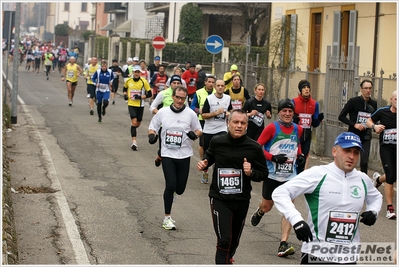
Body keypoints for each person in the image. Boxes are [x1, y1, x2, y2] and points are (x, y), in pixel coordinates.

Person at [272, 131, 383, 264]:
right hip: (317, 253)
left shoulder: (363, 179)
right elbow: (280, 193)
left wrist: (374, 211)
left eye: (356, 152)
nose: (351, 156)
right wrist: (297, 220)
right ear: (334, 151)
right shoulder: (318, 174)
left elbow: (376, 197)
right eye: (347, 150)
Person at [196, 109, 269, 264]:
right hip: (219, 197)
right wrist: (205, 162)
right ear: (228, 123)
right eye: (235, 122)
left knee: (233, 241)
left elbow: (263, 173)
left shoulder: (254, 148)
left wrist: (251, 173)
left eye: (242, 123)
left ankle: (227, 258)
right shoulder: (217, 141)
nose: (239, 125)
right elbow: (210, 155)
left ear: (247, 126)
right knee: (224, 240)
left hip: (241, 200)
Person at [250, 98, 305, 257]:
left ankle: (283, 244)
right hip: (272, 175)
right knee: (267, 207)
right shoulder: (271, 128)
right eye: (284, 111)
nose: (287, 114)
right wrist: (272, 158)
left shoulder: (297, 129)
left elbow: (297, 144)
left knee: (288, 210)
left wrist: (300, 154)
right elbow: (257, 147)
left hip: (290, 176)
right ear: (279, 112)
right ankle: (260, 211)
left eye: (290, 111)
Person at [148, 86, 202, 230]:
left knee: (180, 189)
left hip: (184, 154)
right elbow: (152, 126)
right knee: (170, 184)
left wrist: (195, 135)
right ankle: (167, 218)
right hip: (168, 154)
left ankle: (172, 194)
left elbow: (199, 129)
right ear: (173, 97)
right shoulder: (162, 112)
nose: (179, 101)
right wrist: (151, 135)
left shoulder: (190, 114)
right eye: (177, 97)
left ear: (185, 99)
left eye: (182, 98)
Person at [366, 90, 397, 219]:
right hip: (386, 149)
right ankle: (390, 208)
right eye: (396, 99)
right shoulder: (383, 111)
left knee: (393, 175)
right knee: (391, 176)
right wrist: (375, 127)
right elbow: (369, 121)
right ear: (391, 99)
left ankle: (378, 179)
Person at [338, 79, 377, 174]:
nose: (368, 90)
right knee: (350, 159)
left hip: (366, 136)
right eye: (366, 88)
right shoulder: (353, 101)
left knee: (364, 162)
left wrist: (374, 125)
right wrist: (354, 124)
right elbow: (341, 116)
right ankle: (346, 175)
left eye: (370, 88)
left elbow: (374, 118)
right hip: (354, 135)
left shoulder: (373, 104)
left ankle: (363, 181)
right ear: (361, 89)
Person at [149, 75, 186, 167]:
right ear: (170, 84)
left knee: (177, 148)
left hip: (179, 126)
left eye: (178, 83)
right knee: (165, 148)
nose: (176, 85)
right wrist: (162, 115)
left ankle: (167, 161)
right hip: (165, 126)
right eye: (174, 83)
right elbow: (152, 107)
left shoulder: (183, 95)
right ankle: (161, 157)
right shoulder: (163, 93)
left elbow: (187, 109)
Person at [292, 80, 324, 173]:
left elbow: (315, 124)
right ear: (300, 90)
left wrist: (319, 119)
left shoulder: (314, 104)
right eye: (304, 88)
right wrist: (294, 120)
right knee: (295, 157)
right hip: (296, 135)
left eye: (308, 88)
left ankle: (299, 177)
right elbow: (288, 119)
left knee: (303, 158)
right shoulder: (294, 102)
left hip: (307, 136)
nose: (306, 89)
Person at [190, 75, 216, 183]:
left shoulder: (217, 92)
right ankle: (205, 169)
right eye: (209, 82)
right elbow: (192, 106)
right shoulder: (199, 92)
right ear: (205, 82)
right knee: (203, 145)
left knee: (216, 145)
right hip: (202, 121)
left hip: (215, 122)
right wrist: (198, 110)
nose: (210, 84)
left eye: (212, 82)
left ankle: (215, 166)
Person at [123, 65, 152, 149]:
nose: (136, 74)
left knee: (137, 124)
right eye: (135, 72)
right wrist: (125, 95)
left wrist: (141, 97)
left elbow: (149, 93)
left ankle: (133, 126)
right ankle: (134, 142)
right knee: (134, 122)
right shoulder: (128, 80)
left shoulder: (144, 81)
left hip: (140, 105)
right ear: (133, 72)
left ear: (140, 73)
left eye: (138, 72)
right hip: (131, 104)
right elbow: (124, 89)